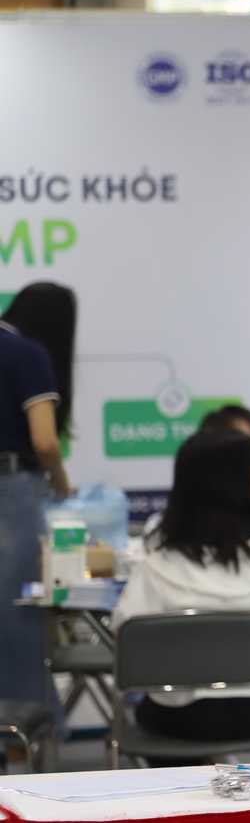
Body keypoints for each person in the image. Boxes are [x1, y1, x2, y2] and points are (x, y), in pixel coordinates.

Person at [112, 429, 250, 762]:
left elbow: (125, 635)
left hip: (179, 721)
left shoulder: (157, 564)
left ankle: (180, 793)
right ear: (237, 480)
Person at [0, 282, 76, 707]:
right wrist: (61, 481)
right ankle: (23, 727)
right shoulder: (27, 354)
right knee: (17, 615)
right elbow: (45, 442)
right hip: (10, 491)